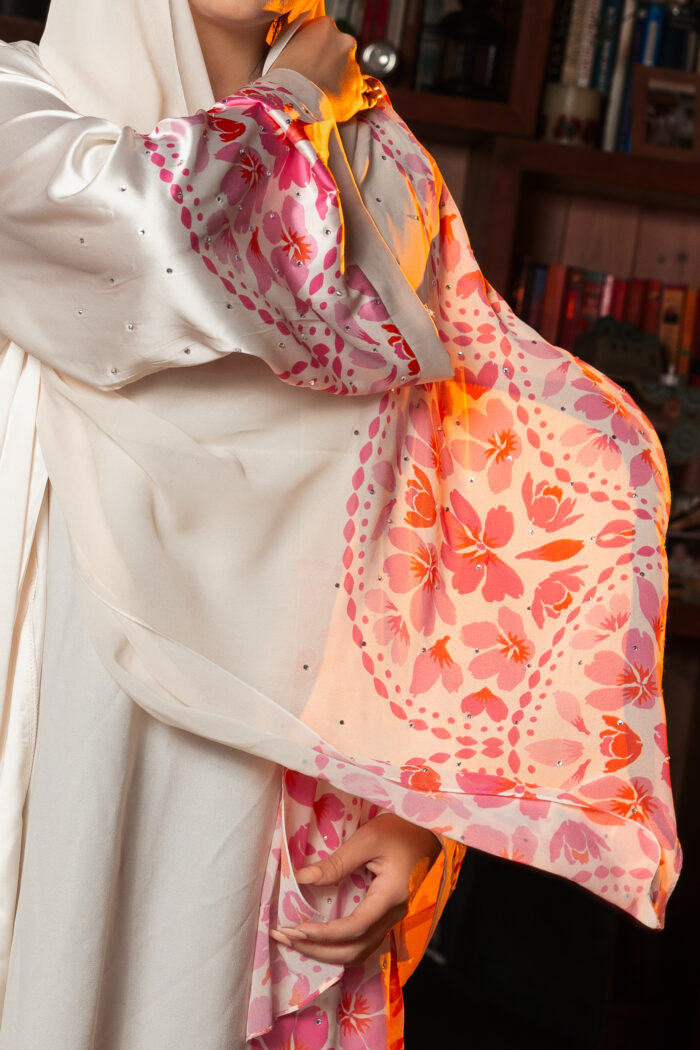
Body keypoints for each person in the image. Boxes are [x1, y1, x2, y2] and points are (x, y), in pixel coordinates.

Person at [0, 1, 681, 1048]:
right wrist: (295, 101)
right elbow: (149, 231)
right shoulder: (23, 107)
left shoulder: (372, 160)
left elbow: (458, 483)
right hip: (60, 663)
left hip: (275, 735)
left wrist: (419, 810)